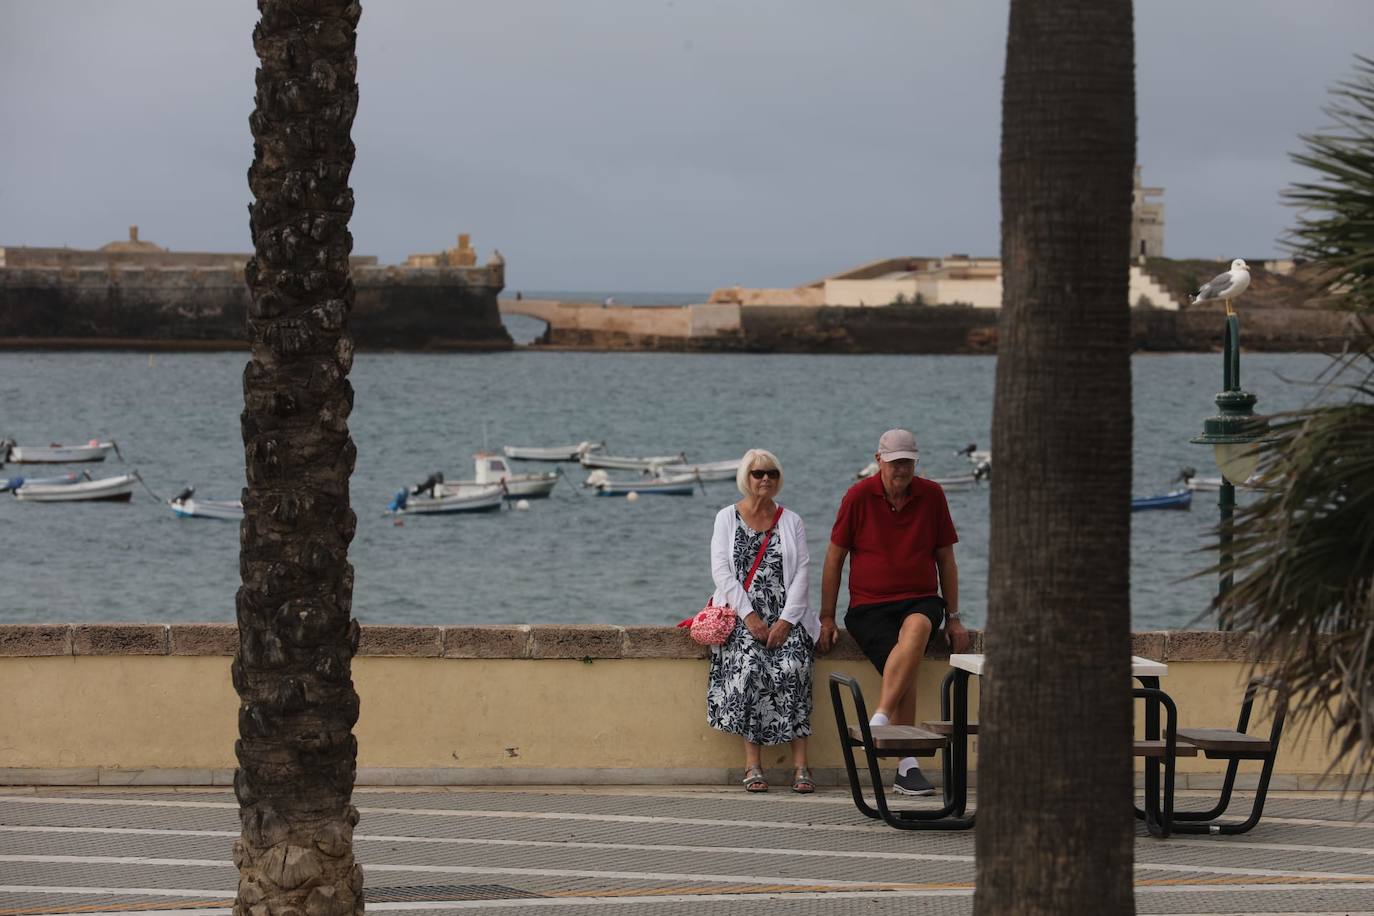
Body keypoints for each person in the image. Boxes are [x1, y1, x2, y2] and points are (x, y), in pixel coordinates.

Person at [817, 428, 970, 796]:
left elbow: (946, 559)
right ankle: (906, 765)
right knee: (903, 667)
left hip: (919, 598)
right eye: (895, 462)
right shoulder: (857, 497)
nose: (901, 469)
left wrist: (953, 616)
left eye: (908, 462)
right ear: (878, 460)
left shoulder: (932, 495)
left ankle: (879, 720)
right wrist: (826, 617)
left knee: (917, 629)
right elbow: (834, 559)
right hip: (868, 606)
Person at [707, 448, 817, 793]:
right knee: (749, 667)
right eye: (758, 474)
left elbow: (802, 573)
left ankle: (801, 766)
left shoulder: (791, 521)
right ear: (746, 478)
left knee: (795, 667)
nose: (765, 478)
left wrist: (786, 621)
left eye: (771, 472)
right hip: (742, 616)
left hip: (786, 615)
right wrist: (751, 617)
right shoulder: (726, 517)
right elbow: (722, 571)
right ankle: (753, 764)